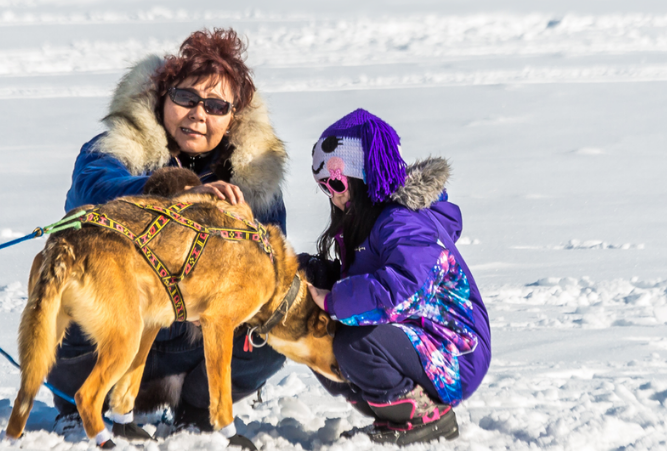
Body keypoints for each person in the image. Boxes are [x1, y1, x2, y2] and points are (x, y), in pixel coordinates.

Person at [48, 28, 288, 447]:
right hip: (103, 336)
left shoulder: (252, 184)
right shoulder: (116, 148)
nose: (198, 114)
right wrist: (172, 192)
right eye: (186, 98)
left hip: (191, 346)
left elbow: (267, 267)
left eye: (215, 106)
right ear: (162, 98)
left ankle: (200, 413)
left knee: (272, 327)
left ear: (234, 119)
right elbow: (92, 188)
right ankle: (81, 409)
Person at [299, 109, 492, 445]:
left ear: (363, 174)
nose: (333, 194)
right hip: (419, 337)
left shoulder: (402, 222)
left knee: (353, 343)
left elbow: (403, 288)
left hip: (455, 350)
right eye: (324, 187)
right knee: (319, 337)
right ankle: (392, 415)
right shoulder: (369, 222)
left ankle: (424, 417)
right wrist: (310, 275)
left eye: (336, 182)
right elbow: (367, 279)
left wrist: (333, 300)